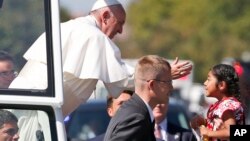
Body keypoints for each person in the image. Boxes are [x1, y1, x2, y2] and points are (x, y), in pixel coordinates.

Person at [9, 0, 192, 117]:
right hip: (35, 112)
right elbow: (123, 78)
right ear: (105, 16)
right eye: (119, 23)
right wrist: (163, 74)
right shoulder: (94, 36)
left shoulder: (67, 27)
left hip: (23, 103)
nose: (120, 31)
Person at [104, 55, 173, 141]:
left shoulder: (136, 111)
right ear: (152, 85)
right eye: (168, 82)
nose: (171, 87)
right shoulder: (137, 117)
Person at [190, 64, 245, 141]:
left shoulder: (227, 107)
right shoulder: (219, 105)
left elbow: (231, 132)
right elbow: (220, 126)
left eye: (209, 79)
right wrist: (204, 122)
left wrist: (209, 133)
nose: (205, 83)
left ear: (221, 85)